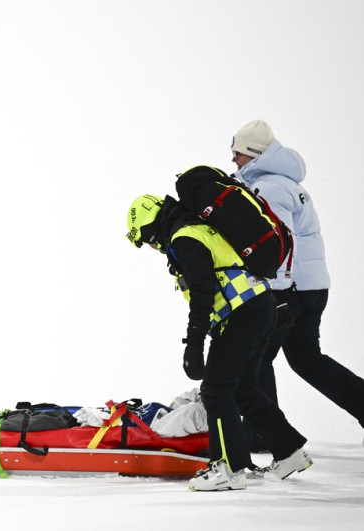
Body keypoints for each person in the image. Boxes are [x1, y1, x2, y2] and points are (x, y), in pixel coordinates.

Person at [126, 188, 312, 491]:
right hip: (260, 307)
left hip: (244, 315)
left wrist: (194, 344)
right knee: (243, 389)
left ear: (151, 226)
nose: (151, 246)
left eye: (147, 239)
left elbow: (203, 292)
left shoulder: (184, 238)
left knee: (215, 390)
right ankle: (290, 453)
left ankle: (228, 468)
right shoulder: (199, 228)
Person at [230, 120, 364, 449]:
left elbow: (278, 241)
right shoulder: (285, 184)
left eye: (237, 153)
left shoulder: (271, 189)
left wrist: (276, 291)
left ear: (252, 153)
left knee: (257, 358)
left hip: (292, 288)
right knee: (307, 359)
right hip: (312, 286)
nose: (233, 159)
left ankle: (263, 432)